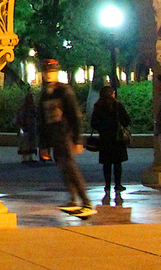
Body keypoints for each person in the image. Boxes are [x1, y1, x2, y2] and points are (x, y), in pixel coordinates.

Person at [42, 73, 93, 217]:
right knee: (64, 167)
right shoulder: (46, 93)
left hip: (65, 135)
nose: (48, 74)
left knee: (70, 167)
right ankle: (73, 199)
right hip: (55, 136)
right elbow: (42, 120)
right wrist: (44, 144)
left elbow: (75, 115)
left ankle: (85, 201)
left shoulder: (64, 91)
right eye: (46, 70)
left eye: (51, 71)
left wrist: (77, 139)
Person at [91, 81, 131, 203]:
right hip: (117, 139)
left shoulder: (98, 107)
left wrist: (103, 128)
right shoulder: (117, 106)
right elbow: (127, 120)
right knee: (117, 163)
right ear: (112, 94)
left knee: (106, 164)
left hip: (105, 139)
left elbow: (93, 123)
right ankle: (118, 184)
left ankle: (107, 185)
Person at [15, 91, 39, 164]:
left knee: (29, 142)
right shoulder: (25, 108)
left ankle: (29, 157)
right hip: (27, 126)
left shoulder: (32, 107)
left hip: (31, 127)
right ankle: (26, 157)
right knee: (26, 142)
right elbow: (21, 117)